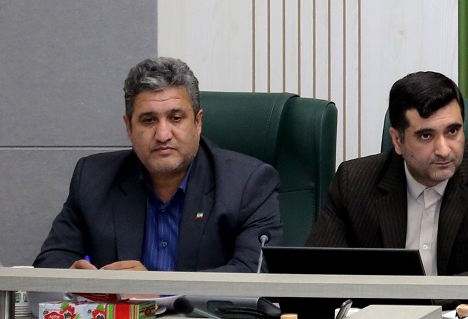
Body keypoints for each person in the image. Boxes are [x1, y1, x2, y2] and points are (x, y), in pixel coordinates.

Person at [34, 58, 282, 272]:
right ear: (129, 128)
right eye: (148, 120)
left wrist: (158, 291)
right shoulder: (93, 178)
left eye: (175, 118)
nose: (163, 135)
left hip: (203, 316)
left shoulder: (247, 184)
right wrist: (73, 278)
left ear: (197, 123)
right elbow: (50, 262)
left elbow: (253, 274)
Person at [307, 72, 468, 276]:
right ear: (397, 140)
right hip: (382, 310)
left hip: (461, 310)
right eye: (426, 136)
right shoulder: (354, 181)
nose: (443, 150)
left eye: (453, 131)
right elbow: (316, 272)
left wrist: (426, 298)